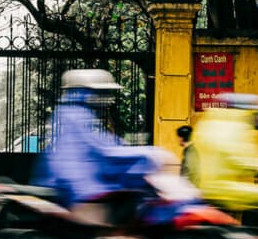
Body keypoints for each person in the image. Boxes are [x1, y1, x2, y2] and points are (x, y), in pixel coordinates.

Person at [31, 68, 169, 226]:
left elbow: (104, 142)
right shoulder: (74, 115)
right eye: (101, 92)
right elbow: (100, 149)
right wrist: (146, 154)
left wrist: (127, 147)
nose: (106, 97)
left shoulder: (77, 113)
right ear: (85, 92)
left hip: (75, 178)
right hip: (78, 183)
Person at [192, 93, 258, 223]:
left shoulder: (210, 123)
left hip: (209, 189)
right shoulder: (234, 128)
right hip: (225, 190)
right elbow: (243, 158)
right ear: (247, 111)